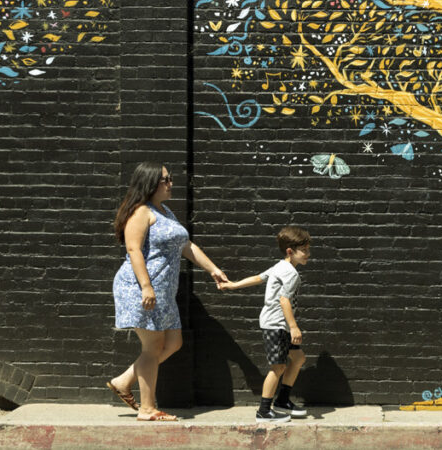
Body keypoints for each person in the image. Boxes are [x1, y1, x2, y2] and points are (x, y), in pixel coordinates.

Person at [106, 162, 228, 421]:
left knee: (173, 343)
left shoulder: (164, 212)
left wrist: (213, 269)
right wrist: (146, 286)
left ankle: (123, 380)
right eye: (165, 179)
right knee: (153, 347)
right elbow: (133, 249)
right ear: (149, 183)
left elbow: (186, 246)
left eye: (170, 178)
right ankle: (148, 410)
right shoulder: (140, 212)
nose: (170, 183)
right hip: (140, 287)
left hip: (164, 291)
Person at [219, 225, 310, 423]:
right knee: (277, 368)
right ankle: (263, 411)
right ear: (290, 251)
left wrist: (233, 285)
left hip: (279, 323)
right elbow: (284, 300)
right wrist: (293, 327)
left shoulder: (280, 266)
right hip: (277, 324)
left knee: (298, 358)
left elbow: (258, 278)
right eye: (304, 250)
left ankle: (283, 400)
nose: (308, 254)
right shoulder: (291, 274)